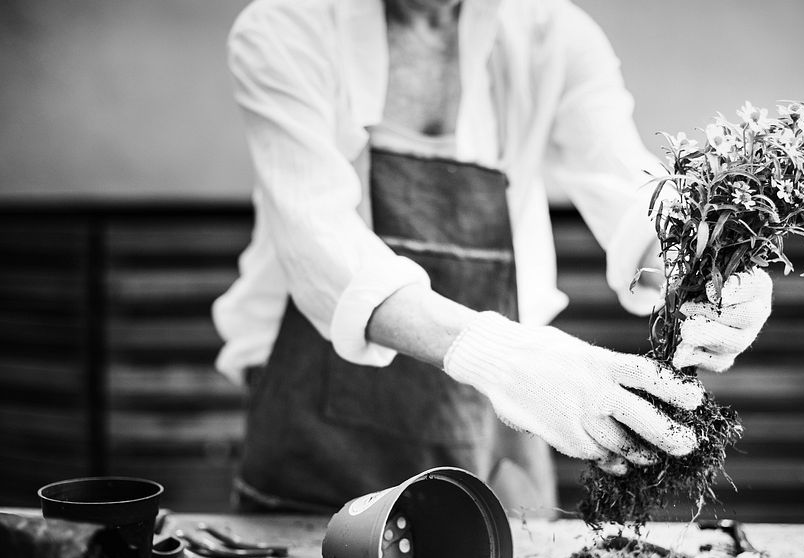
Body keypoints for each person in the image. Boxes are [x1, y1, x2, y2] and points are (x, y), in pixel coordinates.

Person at [212, 0, 772, 515]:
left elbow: (627, 184)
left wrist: (705, 262)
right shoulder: (287, 29)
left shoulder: (551, 35)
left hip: (490, 424)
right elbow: (321, 244)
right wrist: (504, 358)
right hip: (319, 429)